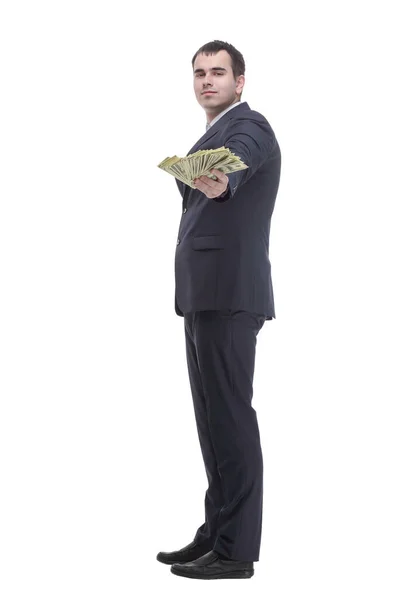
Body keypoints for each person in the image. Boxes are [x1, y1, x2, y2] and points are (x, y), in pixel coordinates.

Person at [157, 40, 281, 580]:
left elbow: (241, 163)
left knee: (231, 419)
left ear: (240, 81)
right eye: (200, 73)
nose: (208, 81)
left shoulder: (248, 127)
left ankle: (237, 551)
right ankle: (216, 533)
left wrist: (224, 181)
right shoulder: (210, 134)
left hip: (230, 295)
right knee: (212, 424)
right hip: (203, 296)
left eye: (218, 72)